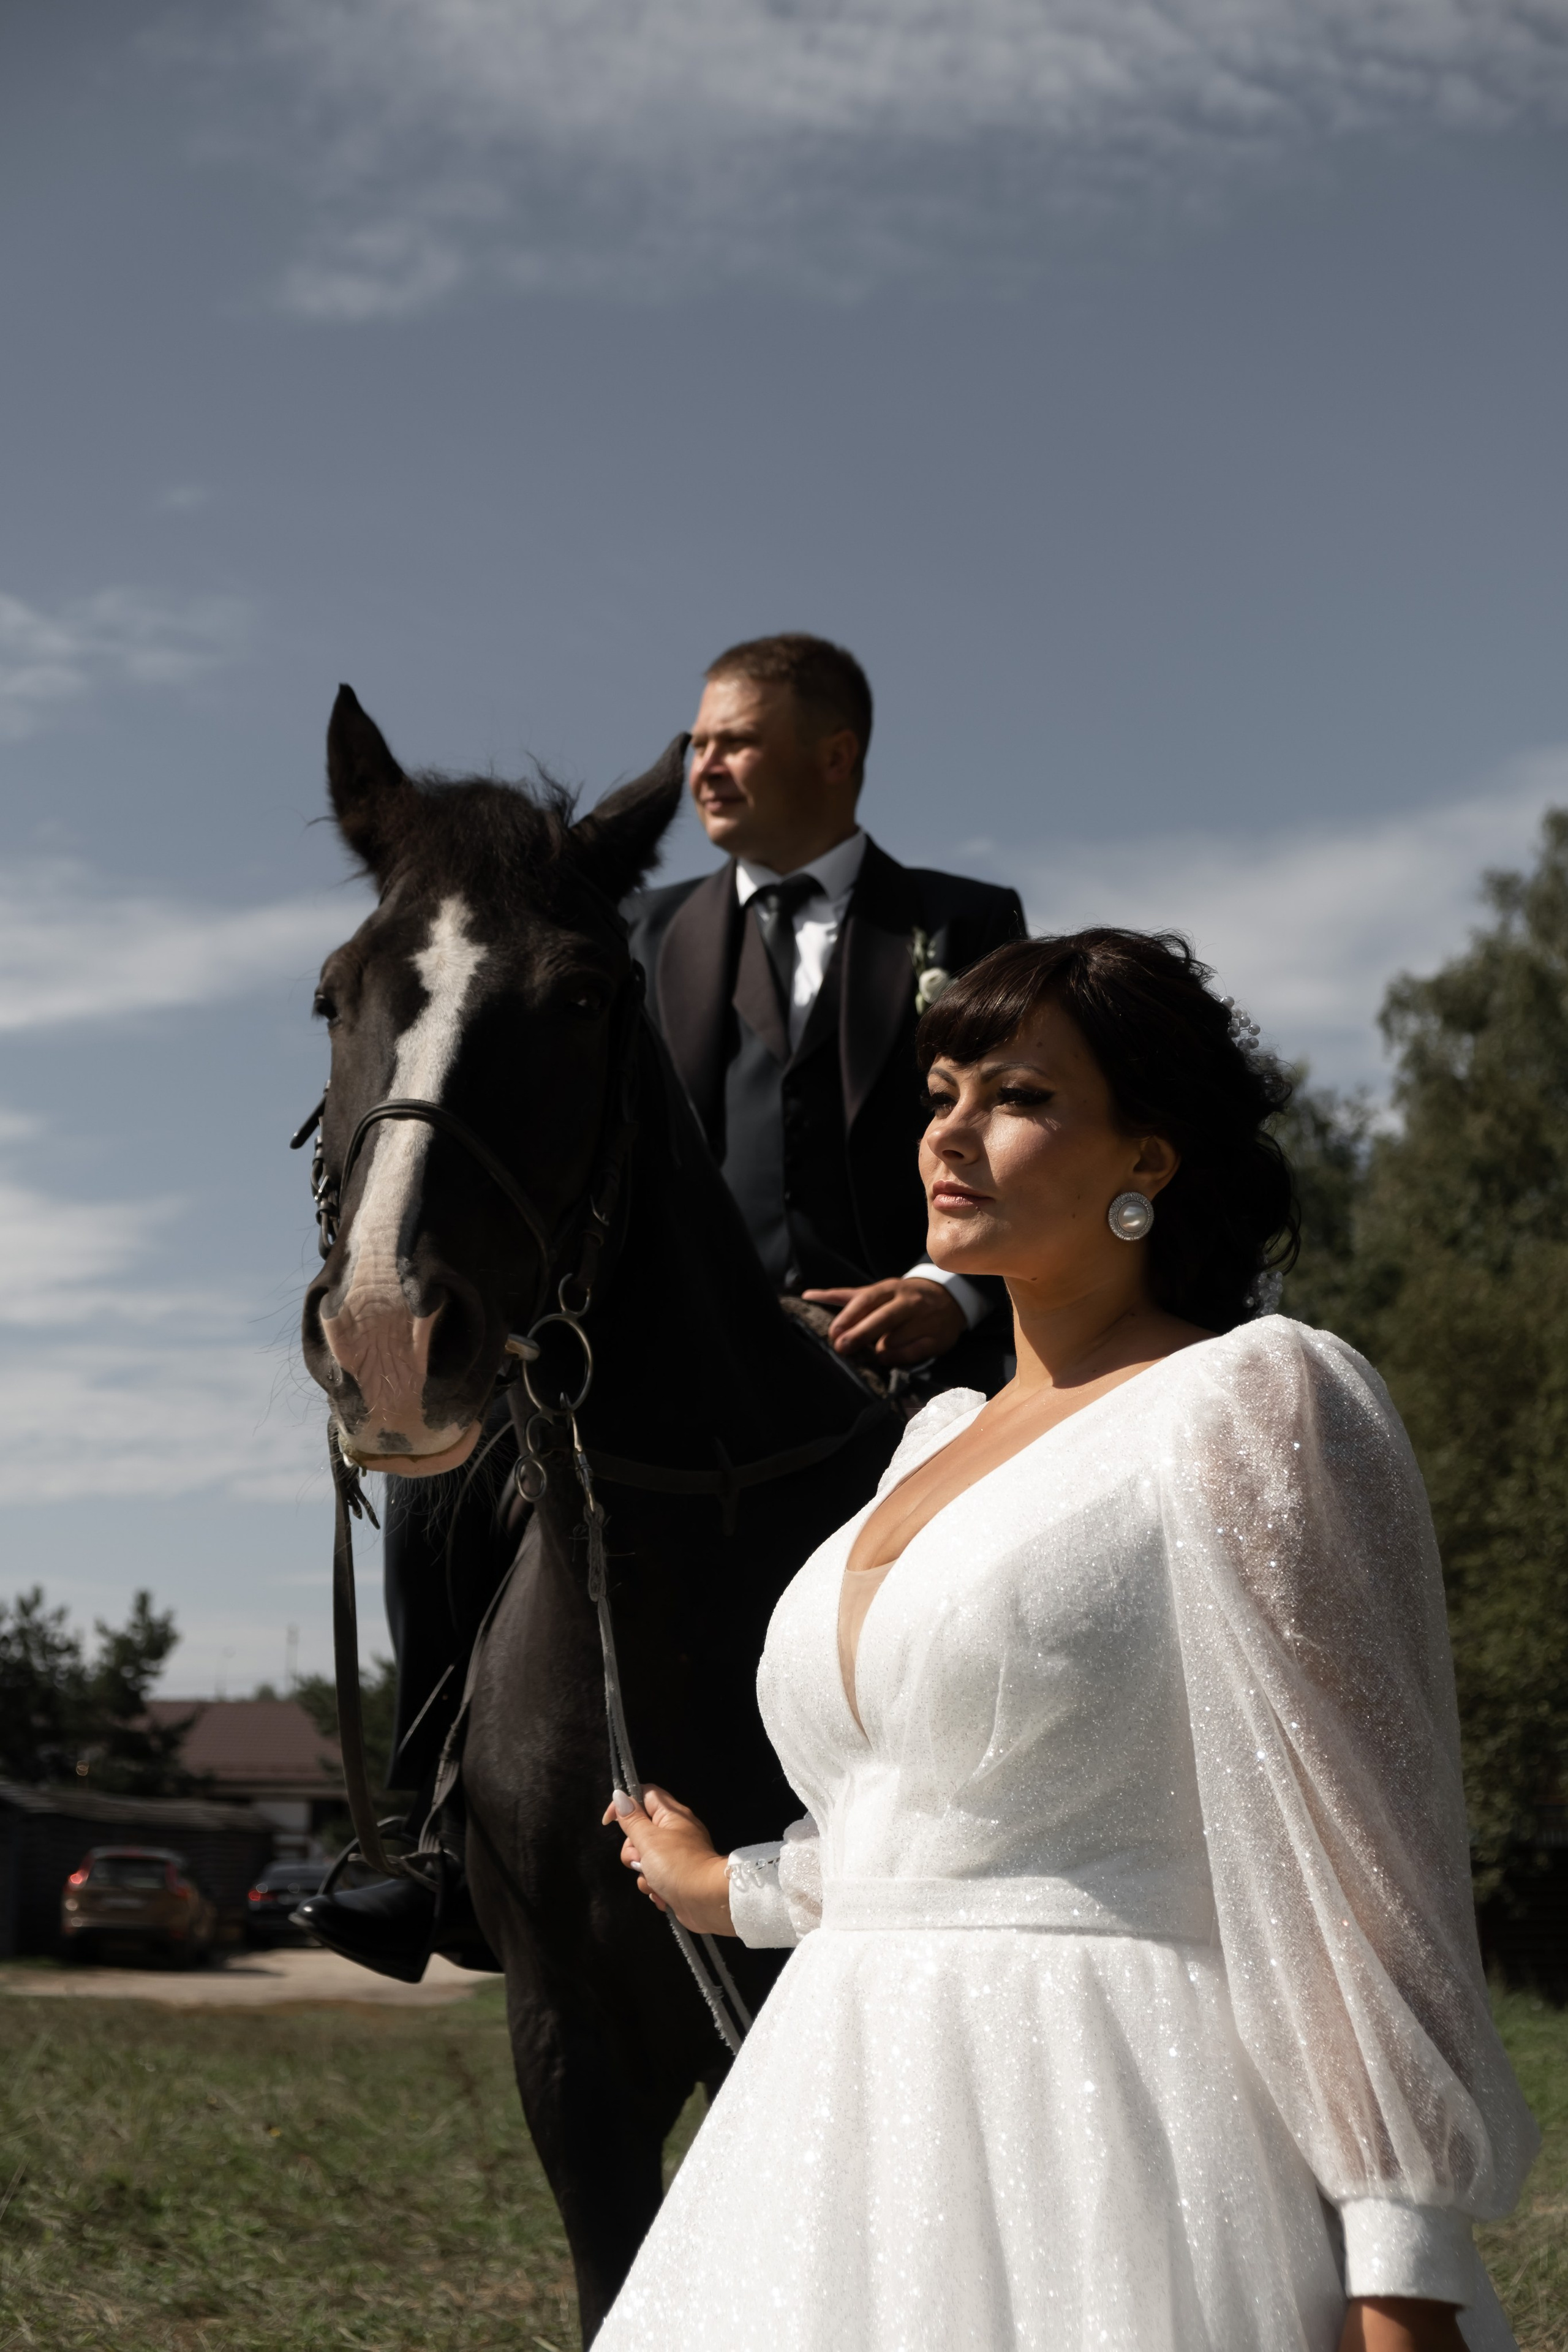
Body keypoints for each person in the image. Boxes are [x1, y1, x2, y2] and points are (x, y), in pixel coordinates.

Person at [597, 927, 1539, 2352]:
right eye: (937, 1092)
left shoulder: (1253, 1397)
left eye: (1017, 1098)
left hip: (1120, 2136)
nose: (950, 1134)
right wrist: (734, 1887)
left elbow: (1363, 1856)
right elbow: (929, 1833)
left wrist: (1395, 2262)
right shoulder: (930, 1431)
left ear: (1144, 1161)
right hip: (828, 2137)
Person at [627, 632, 1024, 1393]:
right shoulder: (635, 933)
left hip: (914, 1381)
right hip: (682, 1383)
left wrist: (952, 1291)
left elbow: (1017, 1132)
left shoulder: (964, 922)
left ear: (836, 757)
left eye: (736, 743)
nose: (702, 768)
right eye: (698, 745)